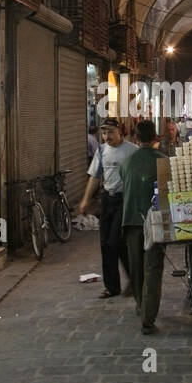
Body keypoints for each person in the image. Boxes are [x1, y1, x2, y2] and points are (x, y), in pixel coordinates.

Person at [78, 117, 137, 299]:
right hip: (108, 200)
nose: (106, 136)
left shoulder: (132, 151)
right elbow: (95, 177)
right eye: (104, 133)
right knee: (105, 244)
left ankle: (134, 281)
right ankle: (112, 287)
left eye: (110, 132)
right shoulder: (102, 151)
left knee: (116, 242)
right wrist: (86, 200)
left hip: (125, 200)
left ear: (120, 131)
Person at [120, 120, 167, 334]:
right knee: (153, 269)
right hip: (154, 222)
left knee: (137, 268)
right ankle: (148, 318)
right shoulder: (163, 161)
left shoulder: (126, 162)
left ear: (136, 138)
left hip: (131, 221)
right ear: (155, 137)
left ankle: (141, 305)